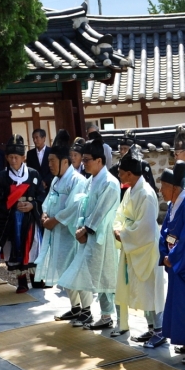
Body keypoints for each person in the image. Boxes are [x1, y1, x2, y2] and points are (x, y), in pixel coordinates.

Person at [59, 135, 121, 330]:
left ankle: (106, 316)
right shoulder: (89, 181)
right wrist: (80, 226)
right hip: (88, 236)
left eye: (86, 160)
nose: (83, 163)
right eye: (83, 160)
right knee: (89, 276)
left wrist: (87, 229)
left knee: (105, 278)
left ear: (99, 161)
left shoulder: (110, 183)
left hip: (102, 237)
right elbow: (83, 207)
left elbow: (102, 212)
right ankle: (92, 312)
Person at [150, 161, 185, 356]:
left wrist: (172, 258)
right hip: (175, 265)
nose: (161, 190)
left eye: (163, 186)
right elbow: (164, 233)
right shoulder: (174, 206)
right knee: (181, 308)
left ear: (174, 187)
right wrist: (165, 254)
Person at [113, 146, 167, 341]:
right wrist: (118, 229)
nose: (119, 176)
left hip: (146, 247)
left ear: (129, 173)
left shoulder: (145, 193)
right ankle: (151, 328)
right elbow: (120, 214)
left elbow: (146, 228)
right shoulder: (131, 191)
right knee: (142, 291)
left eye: (120, 173)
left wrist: (124, 233)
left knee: (151, 290)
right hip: (134, 245)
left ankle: (159, 330)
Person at [0, 136, 44, 294]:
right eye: (10, 157)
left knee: (33, 246)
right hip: (11, 220)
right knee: (15, 246)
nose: (13, 160)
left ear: (23, 158)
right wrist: (13, 205)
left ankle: (36, 278)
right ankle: (21, 281)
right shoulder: (1, 177)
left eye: (17, 157)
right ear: (6, 158)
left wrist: (32, 205)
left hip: (30, 219)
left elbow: (42, 195)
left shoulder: (33, 174)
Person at [39, 132, 88, 299]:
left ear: (65, 161)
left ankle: (86, 309)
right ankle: (75, 307)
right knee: (63, 271)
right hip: (57, 233)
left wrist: (54, 220)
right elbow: (47, 201)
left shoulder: (78, 180)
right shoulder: (55, 180)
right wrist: (45, 214)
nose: (50, 165)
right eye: (49, 161)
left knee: (76, 271)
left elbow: (74, 207)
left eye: (53, 161)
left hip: (71, 233)